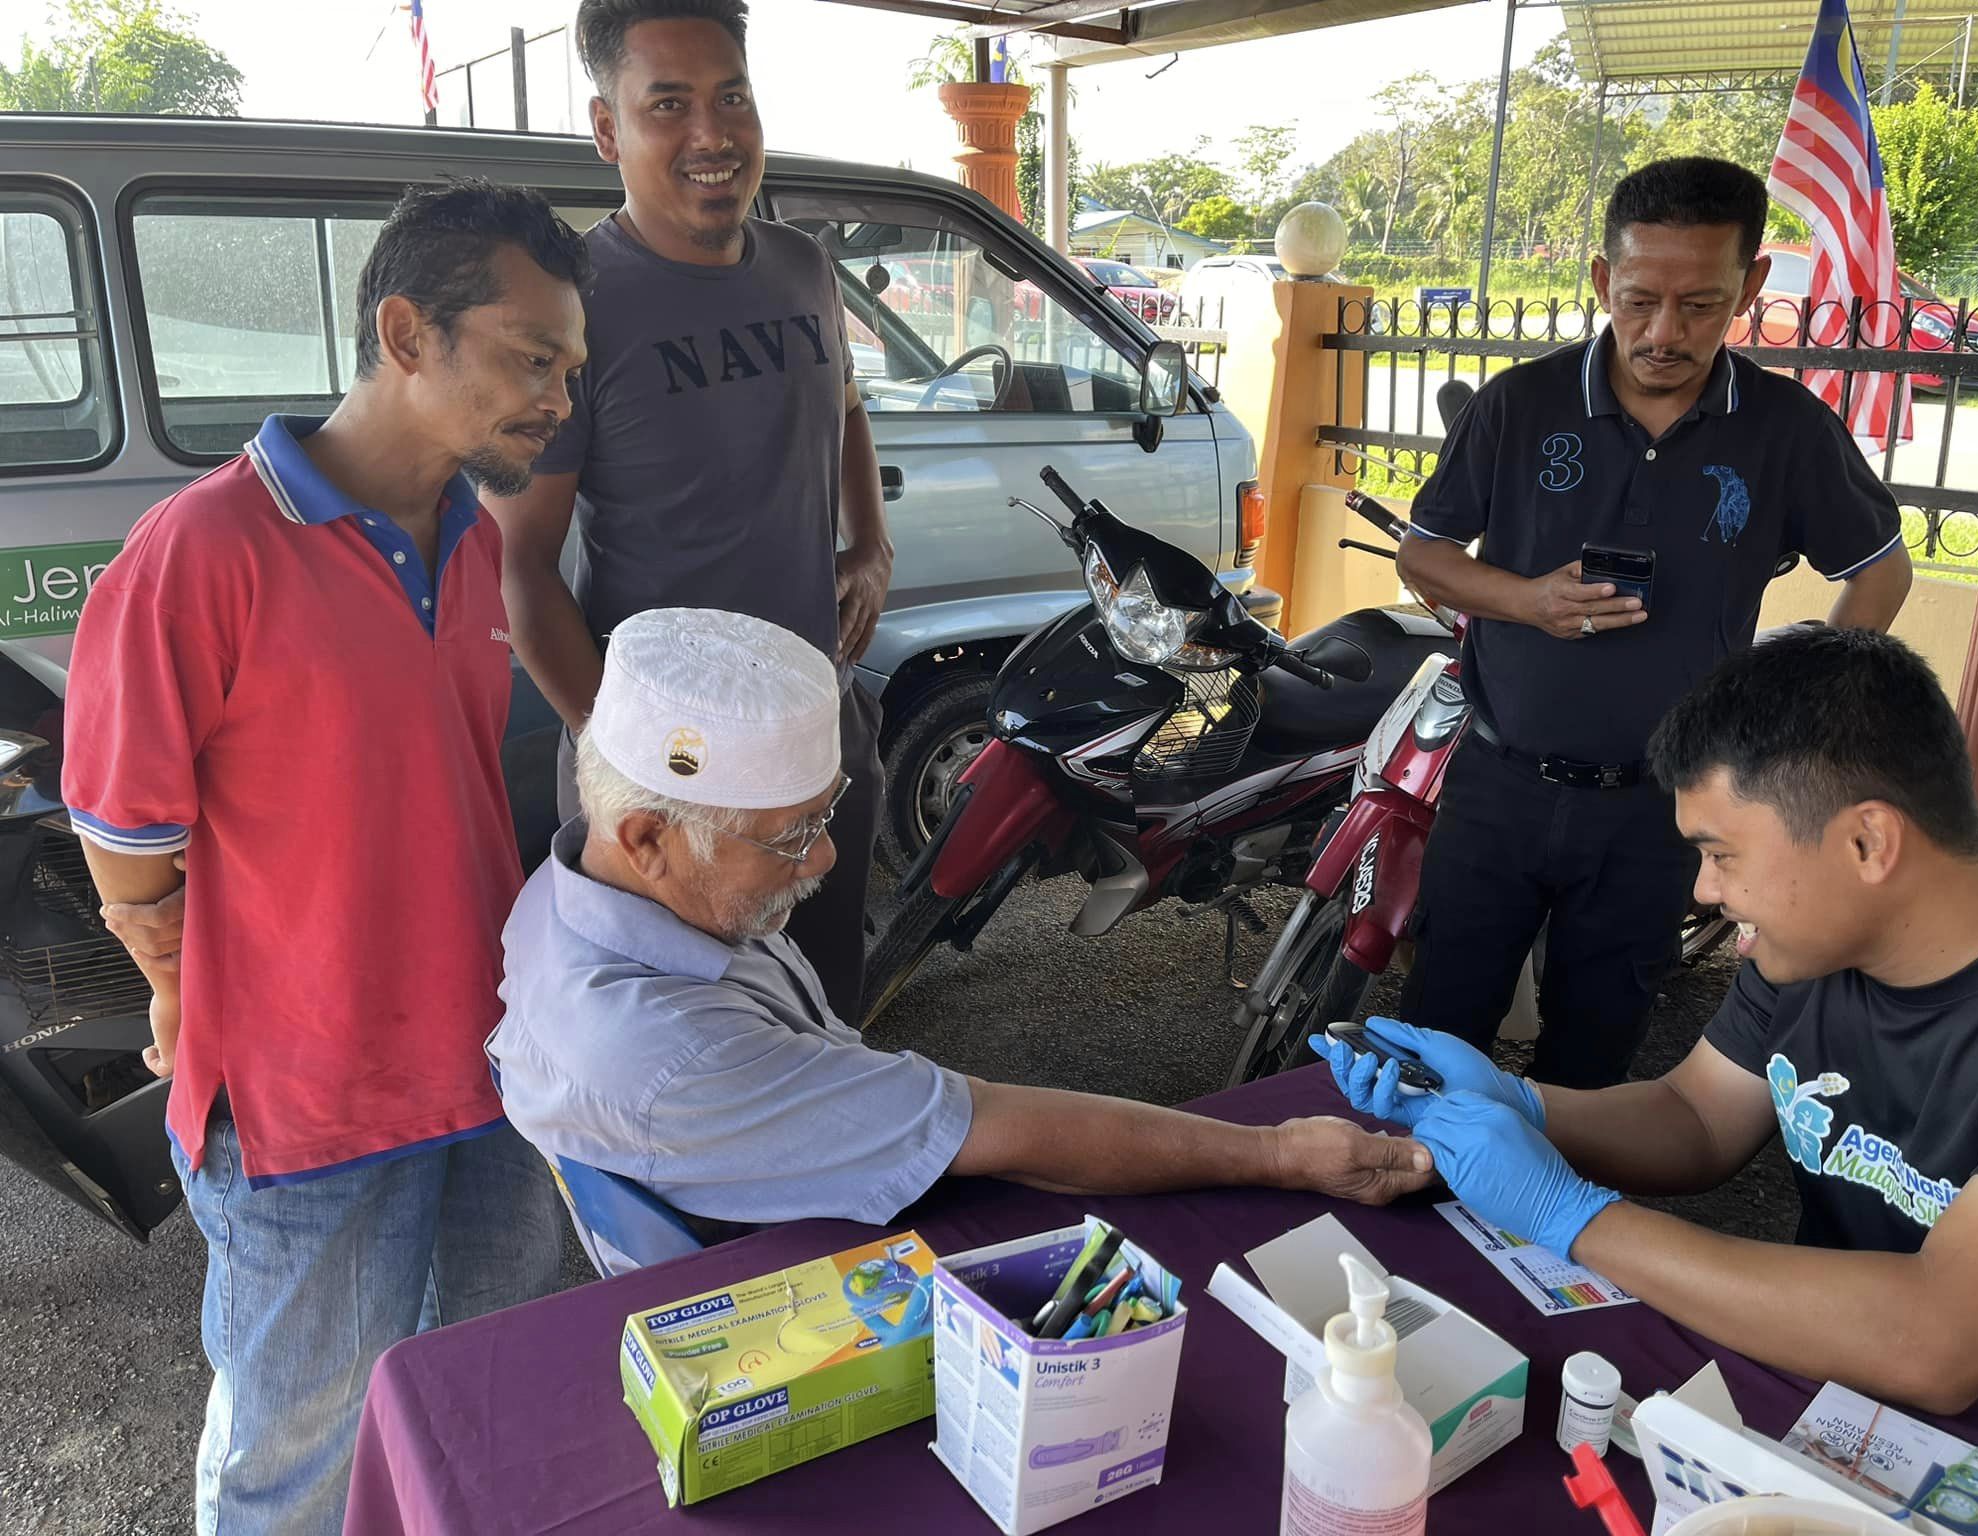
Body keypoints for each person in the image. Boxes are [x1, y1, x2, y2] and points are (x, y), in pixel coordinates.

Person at [62, 180, 589, 1532]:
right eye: (533, 358)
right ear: (407, 334)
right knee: (296, 1462)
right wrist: (178, 988)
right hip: (305, 1108)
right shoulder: (202, 550)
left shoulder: (471, 540)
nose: (559, 400)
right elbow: (122, 831)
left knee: (468, 1419)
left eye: (569, 368)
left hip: (490, 1068)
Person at [488, 607, 1432, 1261]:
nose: (826, 861)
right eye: (789, 837)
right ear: (648, 838)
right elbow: (992, 1123)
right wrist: (1279, 1153)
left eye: (825, 816)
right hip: (781, 1286)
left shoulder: (569, 890)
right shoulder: (671, 1052)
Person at [1316, 628, 1978, 1429]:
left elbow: (1940, 1341)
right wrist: (1522, 1103)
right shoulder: (1814, 946)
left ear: (1867, 842)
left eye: (1721, 855)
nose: (1703, 891)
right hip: (1831, 1392)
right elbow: (1698, 1117)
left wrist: (1575, 1218)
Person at [1393, 156, 1913, 1089]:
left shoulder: (1786, 429)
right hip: (1499, 787)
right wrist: (1528, 601)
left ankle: (1551, 1188)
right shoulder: (1520, 404)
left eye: (1701, 305)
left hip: (1661, 809)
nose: (1665, 333)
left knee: (1595, 1057)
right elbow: (1423, 554)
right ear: (1603, 280)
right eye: (1639, 301)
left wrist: (1796, 716)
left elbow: (1880, 569)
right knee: (1439, 1039)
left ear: (1750, 286)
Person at [490, 0, 889, 1022]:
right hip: (667, 778)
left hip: (818, 733)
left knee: (821, 1009)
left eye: (732, 99)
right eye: (667, 104)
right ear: (607, 128)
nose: (712, 135)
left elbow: (845, 403)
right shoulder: (571, 307)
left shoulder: (803, 266)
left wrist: (870, 544)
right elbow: (520, 568)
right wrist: (632, 770)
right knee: (675, 1052)